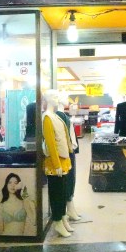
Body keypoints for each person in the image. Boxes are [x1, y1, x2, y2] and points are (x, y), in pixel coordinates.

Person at [42, 89, 74, 237]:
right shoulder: (47, 117)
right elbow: (50, 144)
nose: (57, 99)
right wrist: (56, 164)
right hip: (56, 163)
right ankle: (57, 220)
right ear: (49, 99)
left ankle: (62, 217)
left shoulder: (54, 116)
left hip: (63, 160)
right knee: (56, 193)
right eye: (54, 96)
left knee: (62, 192)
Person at [57, 91, 81, 221]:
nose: (68, 100)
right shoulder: (60, 117)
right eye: (65, 97)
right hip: (65, 153)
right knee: (68, 180)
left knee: (70, 180)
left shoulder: (61, 116)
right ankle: (67, 210)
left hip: (67, 152)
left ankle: (70, 208)